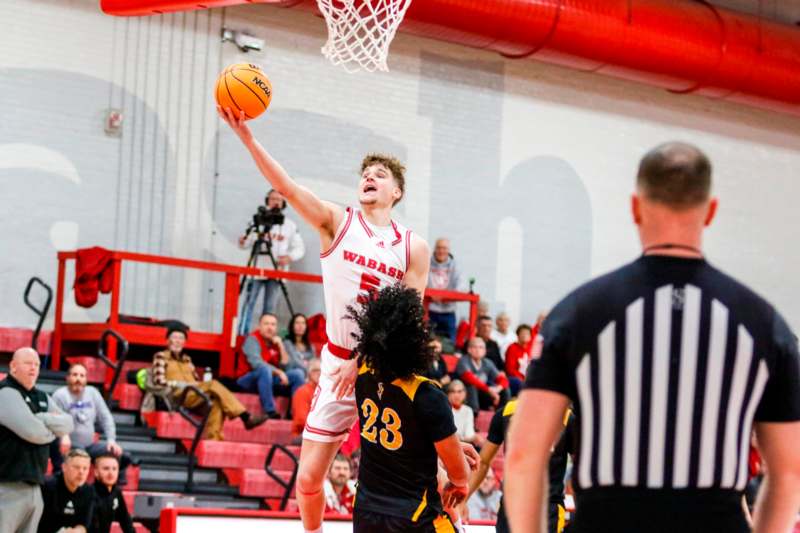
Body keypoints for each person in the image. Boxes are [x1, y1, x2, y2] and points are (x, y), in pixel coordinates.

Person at [505, 142, 800, 533]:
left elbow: (525, 455)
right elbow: (789, 471)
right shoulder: (763, 323)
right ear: (710, 211)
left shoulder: (578, 312)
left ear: (635, 207)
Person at [219, 106, 430, 533]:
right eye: (365, 173)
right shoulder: (337, 221)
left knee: (412, 471)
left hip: (384, 366)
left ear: (397, 192)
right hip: (336, 365)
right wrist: (247, 139)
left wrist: (367, 357)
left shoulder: (413, 247)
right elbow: (287, 186)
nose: (369, 177)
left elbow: (407, 320)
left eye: (380, 174)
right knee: (308, 480)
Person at [348, 283, 476, 533]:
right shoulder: (427, 393)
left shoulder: (362, 376)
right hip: (412, 515)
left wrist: (443, 444)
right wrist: (460, 482)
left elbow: (398, 433)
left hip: (365, 510)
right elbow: (458, 473)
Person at [468, 398, 574, 533]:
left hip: (547, 507)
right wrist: (463, 501)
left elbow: (580, 467)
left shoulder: (566, 417)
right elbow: (483, 462)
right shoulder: (507, 413)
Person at [0, 348, 74, 533]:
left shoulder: (42, 396)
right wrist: (50, 428)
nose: (33, 368)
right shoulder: (5, 392)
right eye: (28, 363)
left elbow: (68, 424)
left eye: (37, 365)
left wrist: (40, 419)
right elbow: (32, 432)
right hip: (7, 487)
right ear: (13, 366)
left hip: (34, 487)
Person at [159, 327, 268, 440]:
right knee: (213, 384)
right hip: (178, 396)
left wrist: (194, 377)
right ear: (167, 341)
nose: (177, 341)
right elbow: (158, 381)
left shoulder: (187, 360)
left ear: (184, 342)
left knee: (216, 404)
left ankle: (214, 441)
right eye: (174, 337)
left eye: (181, 338)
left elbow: (197, 382)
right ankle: (245, 417)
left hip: (193, 395)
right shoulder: (161, 357)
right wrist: (179, 384)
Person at [238, 189, 305, 333]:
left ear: (283, 204)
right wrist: (243, 241)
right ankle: (241, 333)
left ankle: (265, 336)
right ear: (267, 200)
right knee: (248, 303)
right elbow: (246, 243)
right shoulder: (257, 220)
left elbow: (299, 248)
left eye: (279, 200)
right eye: (273, 199)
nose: (275, 202)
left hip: (276, 272)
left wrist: (289, 257)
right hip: (256, 270)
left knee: (269, 308)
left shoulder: (289, 225)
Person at [50, 364, 132, 484]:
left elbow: (106, 417)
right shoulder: (60, 395)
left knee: (122, 455)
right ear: (67, 378)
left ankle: (113, 489)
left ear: (86, 379)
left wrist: (111, 440)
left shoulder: (93, 393)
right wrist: (64, 435)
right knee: (79, 451)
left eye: (82, 375)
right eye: (75, 375)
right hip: (68, 445)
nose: (78, 379)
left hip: (89, 446)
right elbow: (55, 420)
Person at [237, 313, 305, 417]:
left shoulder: (275, 342)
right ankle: (270, 411)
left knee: (298, 374)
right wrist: (279, 372)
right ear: (259, 326)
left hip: (268, 381)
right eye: (266, 324)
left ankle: (293, 413)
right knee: (264, 369)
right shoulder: (252, 339)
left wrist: (281, 346)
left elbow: (287, 367)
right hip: (247, 380)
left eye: (273, 325)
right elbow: (256, 364)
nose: (270, 327)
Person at [38, 448, 94, 533]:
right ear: (64, 467)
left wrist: (77, 531)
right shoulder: (47, 487)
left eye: (85, 468)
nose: (81, 472)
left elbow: (84, 524)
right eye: (76, 467)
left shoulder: (89, 491)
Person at [456, 337, 509, 413]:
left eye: (481, 347)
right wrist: (489, 390)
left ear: (485, 351)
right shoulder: (463, 361)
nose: (478, 350)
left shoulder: (487, 362)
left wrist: (498, 388)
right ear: (469, 350)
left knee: (505, 389)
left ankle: (502, 416)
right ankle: (474, 414)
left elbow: (503, 379)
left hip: (483, 393)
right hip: (466, 394)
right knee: (472, 386)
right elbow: (469, 378)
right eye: (475, 347)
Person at [427, 237, 461, 342]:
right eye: (439, 248)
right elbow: (421, 280)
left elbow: (460, 286)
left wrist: (444, 297)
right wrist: (430, 294)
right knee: (427, 341)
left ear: (448, 250)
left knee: (450, 344)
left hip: (448, 311)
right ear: (434, 249)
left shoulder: (455, 265)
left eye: (444, 248)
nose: (441, 251)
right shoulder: (426, 262)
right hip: (430, 310)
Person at [90, 454, 134, 533]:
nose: (111, 473)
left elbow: (125, 520)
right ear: (96, 472)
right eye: (106, 468)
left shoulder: (116, 492)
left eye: (114, 469)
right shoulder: (89, 493)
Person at [447, 380, 484, 449]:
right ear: (448, 395)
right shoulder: (445, 410)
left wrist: (474, 437)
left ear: (465, 393)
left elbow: (469, 433)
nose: (456, 395)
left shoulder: (468, 410)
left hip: (464, 444)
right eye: (453, 392)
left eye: (459, 391)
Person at [291, 358, 322, 440]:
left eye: (322, 370)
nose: (319, 373)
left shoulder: (325, 392)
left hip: (321, 434)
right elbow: (301, 420)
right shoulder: (302, 391)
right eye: (315, 370)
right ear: (309, 374)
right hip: (303, 435)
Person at [504, 324, 532, 396]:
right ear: (517, 335)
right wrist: (523, 379)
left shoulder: (531, 349)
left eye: (527, 333)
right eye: (522, 333)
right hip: (515, 378)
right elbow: (510, 369)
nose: (525, 335)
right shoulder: (512, 348)